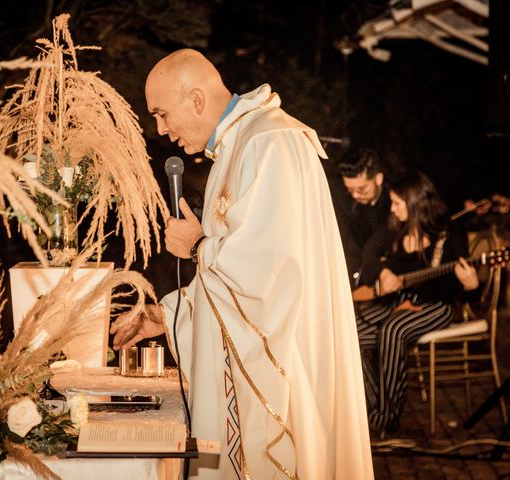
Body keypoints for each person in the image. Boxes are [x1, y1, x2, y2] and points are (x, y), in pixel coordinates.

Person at [110, 49, 373, 479]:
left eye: (162, 114)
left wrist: (197, 247)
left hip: (287, 367)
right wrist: (165, 316)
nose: (161, 129)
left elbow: (271, 269)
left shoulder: (269, 142)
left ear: (196, 99)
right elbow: (232, 271)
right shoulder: (239, 146)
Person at [355, 170, 479, 435]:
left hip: (437, 306)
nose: (394, 208)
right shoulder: (395, 226)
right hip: (401, 302)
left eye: (398, 203)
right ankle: (373, 408)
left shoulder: (449, 233)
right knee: (351, 334)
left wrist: (471, 285)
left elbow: (464, 290)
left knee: (393, 329)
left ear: (415, 203)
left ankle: (387, 417)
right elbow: (369, 254)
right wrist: (383, 272)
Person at [336, 148, 391, 288]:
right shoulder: (347, 206)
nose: (355, 195)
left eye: (361, 189)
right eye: (350, 189)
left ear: (378, 178)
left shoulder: (395, 202)